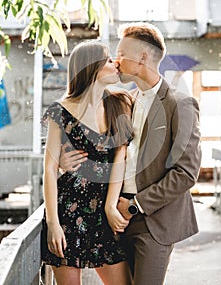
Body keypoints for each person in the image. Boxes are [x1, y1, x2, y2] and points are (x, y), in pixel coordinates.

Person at [59, 23, 202, 285]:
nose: (116, 60)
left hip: (153, 220)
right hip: (112, 218)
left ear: (143, 57)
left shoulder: (180, 104)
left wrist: (136, 205)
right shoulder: (124, 100)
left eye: (122, 53)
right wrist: (64, 161)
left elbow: (186, 173)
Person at [41, 40, 134, 285]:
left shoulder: (119, 103)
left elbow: (120, 157)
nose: (116, 63)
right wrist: (53, 224)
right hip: (68, 212)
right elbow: (49, 169)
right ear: (92, 67)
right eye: (108, 59)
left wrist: (110, 206)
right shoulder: (60, 111)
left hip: (104, 213)